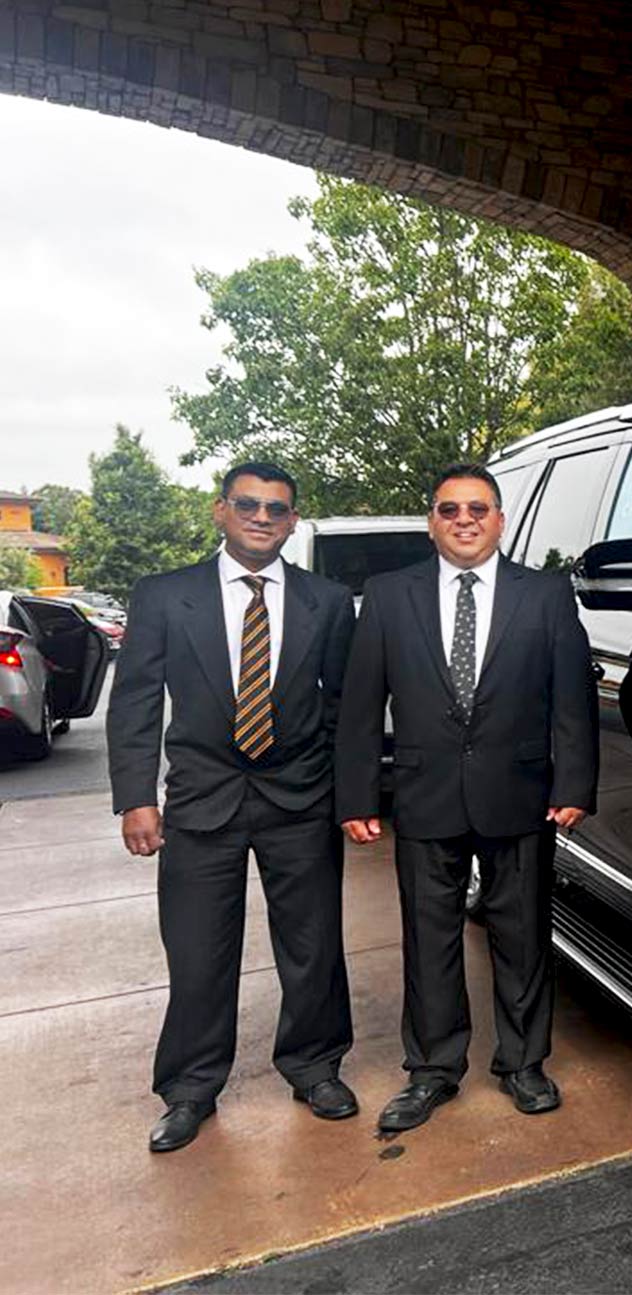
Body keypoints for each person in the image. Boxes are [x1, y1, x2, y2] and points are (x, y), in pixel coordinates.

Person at [335, 463, 596, 1133]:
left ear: (499, 519)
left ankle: (523, 1062)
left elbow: (571, 695)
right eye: (449, 509)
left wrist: (574, 782)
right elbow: (362, 703)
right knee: (429, 940)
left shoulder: (544, 594)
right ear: (431, 522)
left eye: (477, 508)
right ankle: (431, 1069)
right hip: (423, 793)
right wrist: (358, 794)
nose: (464, 520)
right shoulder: (389, 595)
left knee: (523, 936)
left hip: (520, 791)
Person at [107, 462, 359, 1153]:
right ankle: (189, 1088)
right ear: (220, 511)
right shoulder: (165, 596)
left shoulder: (327, 601)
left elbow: (343, 705)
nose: (261, 517)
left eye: (276, 508)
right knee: (197, 952)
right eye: (247, 504)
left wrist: (346, 792)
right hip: (200, 799)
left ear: (292, 521)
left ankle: (314, 1066)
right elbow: (134, 700)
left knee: (312, 947)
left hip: (300, 798)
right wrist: (135, 796)